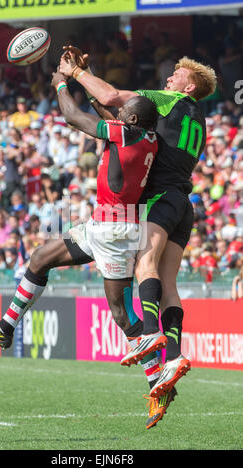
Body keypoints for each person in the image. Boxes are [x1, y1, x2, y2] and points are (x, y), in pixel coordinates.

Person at [0, 70, 162, 425]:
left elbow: (74, 118)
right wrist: (78, 72)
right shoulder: (143, 135)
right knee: (40, 258)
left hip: (116, 231)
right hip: (105, 223)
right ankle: (5, 329)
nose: (117, 111)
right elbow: (105, 109)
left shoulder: (127, 134)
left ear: (131, 118)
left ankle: (158, 381)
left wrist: (59, 83)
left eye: (124, 109)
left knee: (121, 314)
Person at [59, 46, 217, 413]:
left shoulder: (168, 99)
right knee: (170, 284)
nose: (169, 77)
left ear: (188, 87)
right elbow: (126, 119)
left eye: (177, 74)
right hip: (183, 203)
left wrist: (76, 74)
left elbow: (113, 97)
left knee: (146, 267)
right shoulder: (198, 116)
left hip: (161, 198)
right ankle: (174, 356)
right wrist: (92, 70)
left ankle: (148, 334)